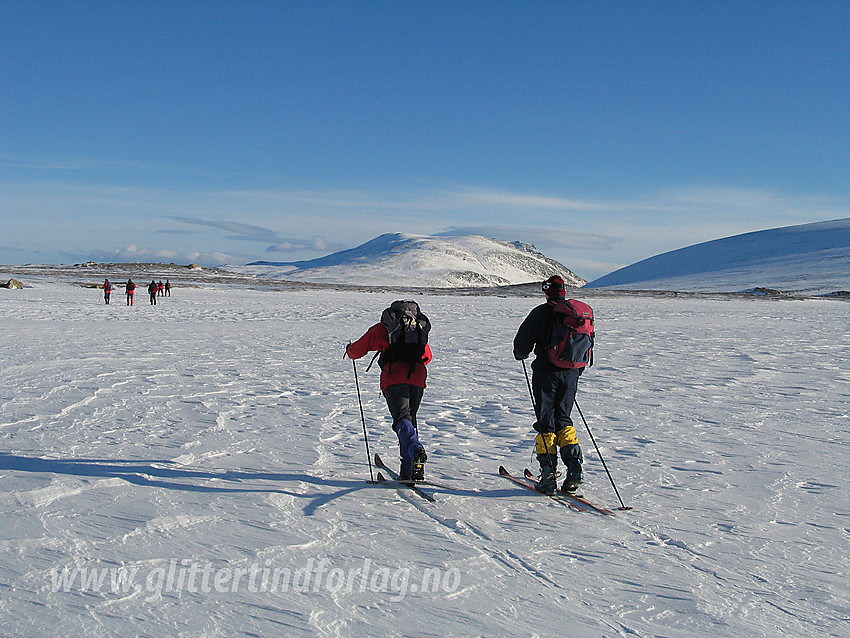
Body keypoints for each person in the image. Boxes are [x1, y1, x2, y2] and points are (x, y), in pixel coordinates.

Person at [513, 275, 590, 495]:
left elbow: (522, 342)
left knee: (546, 422)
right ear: (564, 291)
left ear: (547, 291)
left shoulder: (541, 312)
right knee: (563, 419)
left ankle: (548, 475)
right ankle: (574, 468)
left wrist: (521, 354)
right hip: (571, 373)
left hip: (546, 372)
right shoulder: (576, 314)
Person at [345, 301, 432, 481]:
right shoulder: (417, 327)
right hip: (417, 376)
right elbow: (427, 356)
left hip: (394, 376)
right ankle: (408, 469)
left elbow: (358, 350)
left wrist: (349, 350)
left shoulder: (385, 327)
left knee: (402, 418)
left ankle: (415, 449)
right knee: (409, 420)